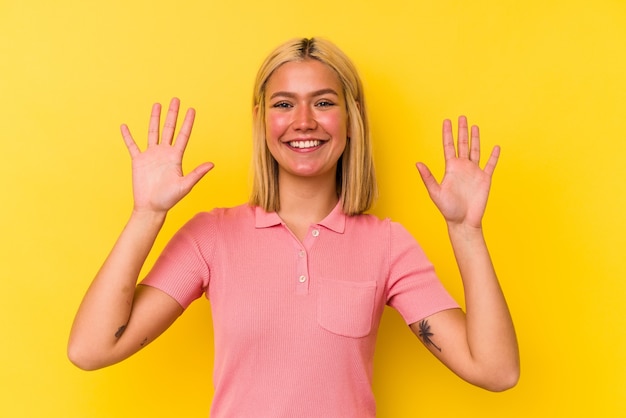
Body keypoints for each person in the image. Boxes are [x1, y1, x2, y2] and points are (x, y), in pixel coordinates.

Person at [68, 37, 519, 417]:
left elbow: (496, 371)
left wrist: (466, 232)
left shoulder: (387, 245)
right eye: (285, 104)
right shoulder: (211, 237)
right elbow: (91, 350)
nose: (304, 122)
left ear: (352, 119)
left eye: (323, 103)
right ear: (263, 119)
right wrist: (147, 214)